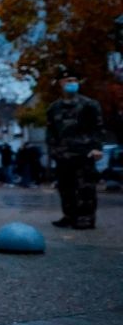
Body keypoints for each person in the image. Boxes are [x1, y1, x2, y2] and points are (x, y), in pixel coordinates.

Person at [46, 67, 105, 229]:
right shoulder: (54, 108)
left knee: (85, 188)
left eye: (74, 81)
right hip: (63, 154)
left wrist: (97, 148)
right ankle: (69, 215)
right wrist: (53, 151)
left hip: (84, 153)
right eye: (68, 81)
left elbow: (98, 128)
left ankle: (86, 218)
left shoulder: (89, 105)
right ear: (60, 83)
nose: (72, 84)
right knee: (65, 187)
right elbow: (51, 132)